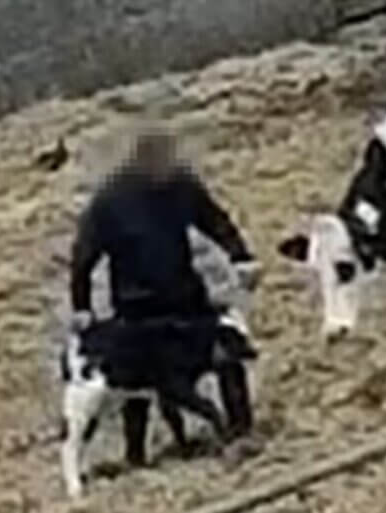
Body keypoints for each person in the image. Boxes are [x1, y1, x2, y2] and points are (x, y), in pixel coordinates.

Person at [69, 130, 262, 465]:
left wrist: (240, 256)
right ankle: (136, 454)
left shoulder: (181, 185)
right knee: (137, 383)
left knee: (226, 354)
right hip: (137, 309)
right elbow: (83, 256)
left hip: (186, 300)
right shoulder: (110, 200)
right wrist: (81, 305)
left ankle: (241, 430)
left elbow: (215, 221)